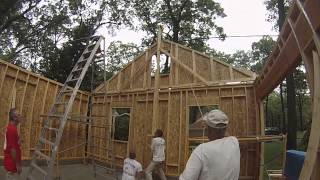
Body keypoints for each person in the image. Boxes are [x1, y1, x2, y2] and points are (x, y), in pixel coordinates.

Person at [179, 109, 240, 180]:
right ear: (225, 128)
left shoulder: (201, 150)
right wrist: (213, 127)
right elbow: (224, 133)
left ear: (208, 129)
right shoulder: (234, 142)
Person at [3, 108, 22, 180]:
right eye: (19, 115)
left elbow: (11, 143)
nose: (21, 116)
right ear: (14, 118)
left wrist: (18, 141)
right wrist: (18, 165)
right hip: (12, 165)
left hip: (12, 163)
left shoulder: (12, 127)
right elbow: (12, 150)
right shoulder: (12, 130)